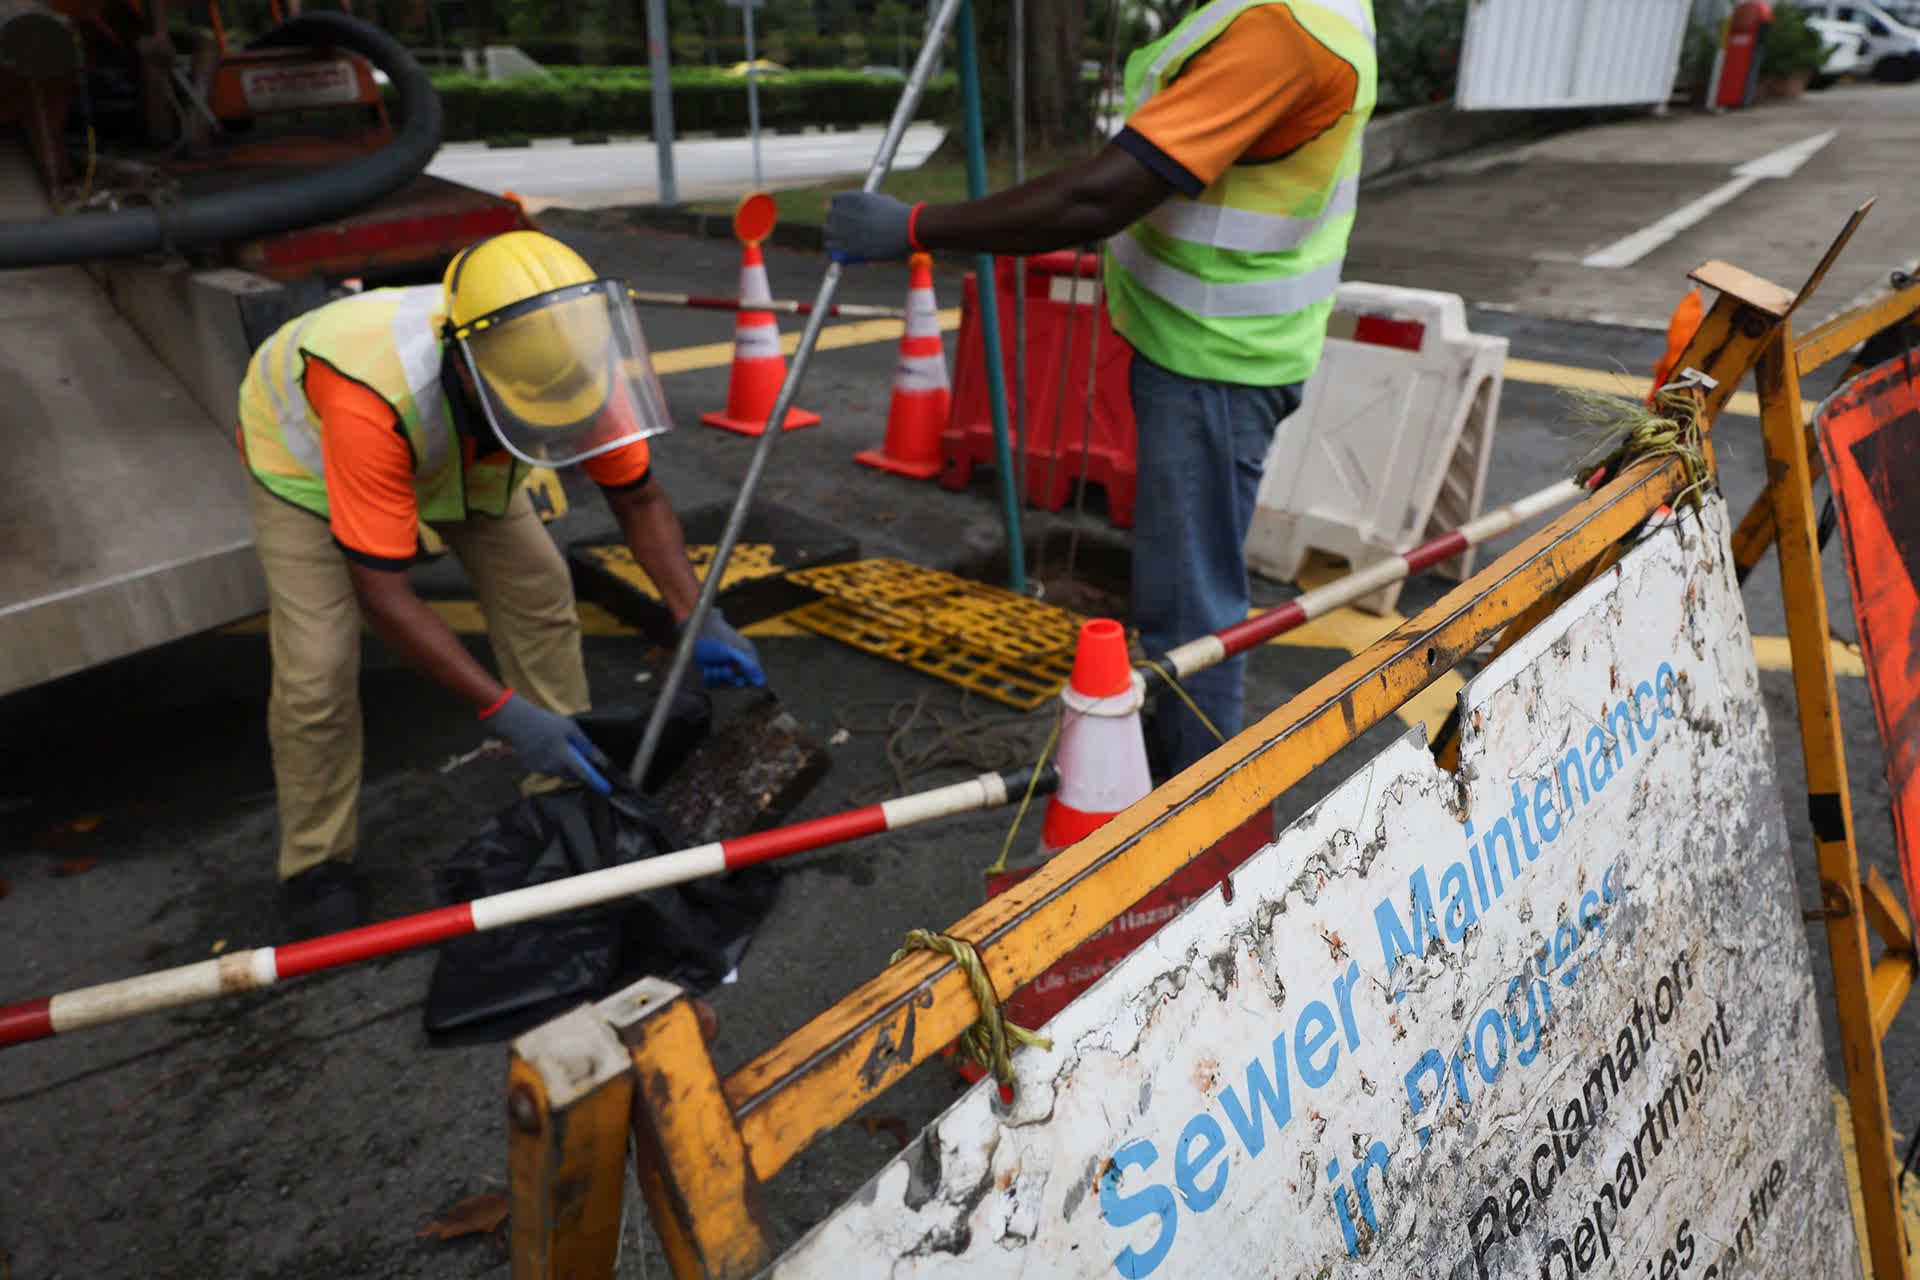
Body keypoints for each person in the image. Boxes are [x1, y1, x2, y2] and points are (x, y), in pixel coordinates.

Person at [826, 0, 1376, 775]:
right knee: (1185, 609)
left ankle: (1193, 817)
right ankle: (1167, 766)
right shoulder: (1310, 12)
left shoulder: (1282, 32)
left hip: (1216, 359)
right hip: (1211, 347)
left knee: (1192, 622)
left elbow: (1099, 196)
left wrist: (915, 225)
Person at [237, 230, 764, 937]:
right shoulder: (370, 394)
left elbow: (638, 499)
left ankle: (565, 787)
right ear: (467, 367)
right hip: (308, 465)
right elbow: (387, 598)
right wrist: (503, 712)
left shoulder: (566, 365)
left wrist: (695, 615)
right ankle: (315, 862)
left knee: (541, 590)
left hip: (462, 449)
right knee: (318, 670)